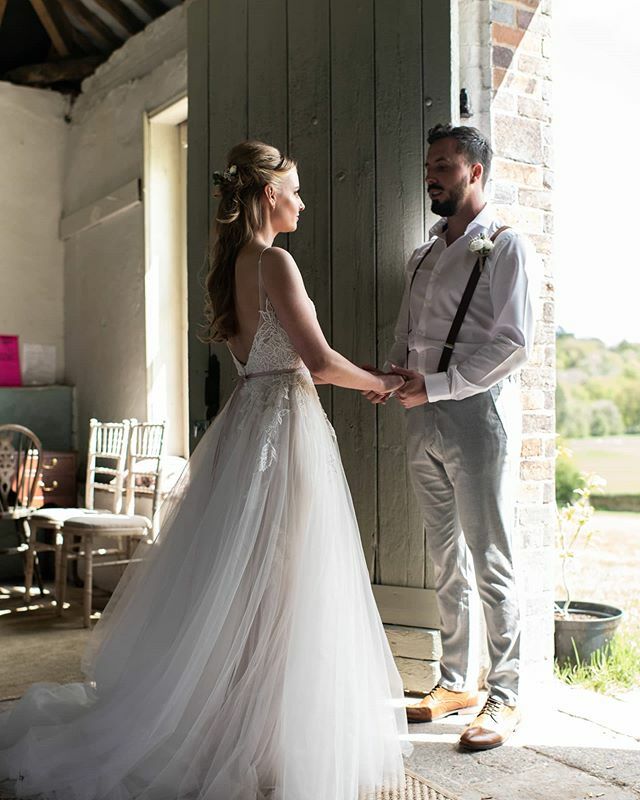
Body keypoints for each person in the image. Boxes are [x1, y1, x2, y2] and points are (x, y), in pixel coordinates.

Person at [0, 141, 410, 799]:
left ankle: (246, 725)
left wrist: (358, 376)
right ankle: (254, 735)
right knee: (283, 585)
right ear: (269, 194)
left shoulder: (234, 264)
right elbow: (317, 361)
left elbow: (287, 357)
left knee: (255, 583)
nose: (302, 203)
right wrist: (382, 383)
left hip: (250, 423)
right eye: (295, 191)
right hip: (283, 429)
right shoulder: (274, 261)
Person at [365, 124, 541, 751]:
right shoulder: (422, 255)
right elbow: (407, 334)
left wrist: (439, 387)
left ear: (476, 171)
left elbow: (514, 343)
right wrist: (391, 378)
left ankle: (506, 693)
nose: (431, 175)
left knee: (491, 555)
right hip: (420, 416)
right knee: (444, 554)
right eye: (429, 166)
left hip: (476, 416)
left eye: (443, 165)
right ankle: (455, 681)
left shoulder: (507, 244)